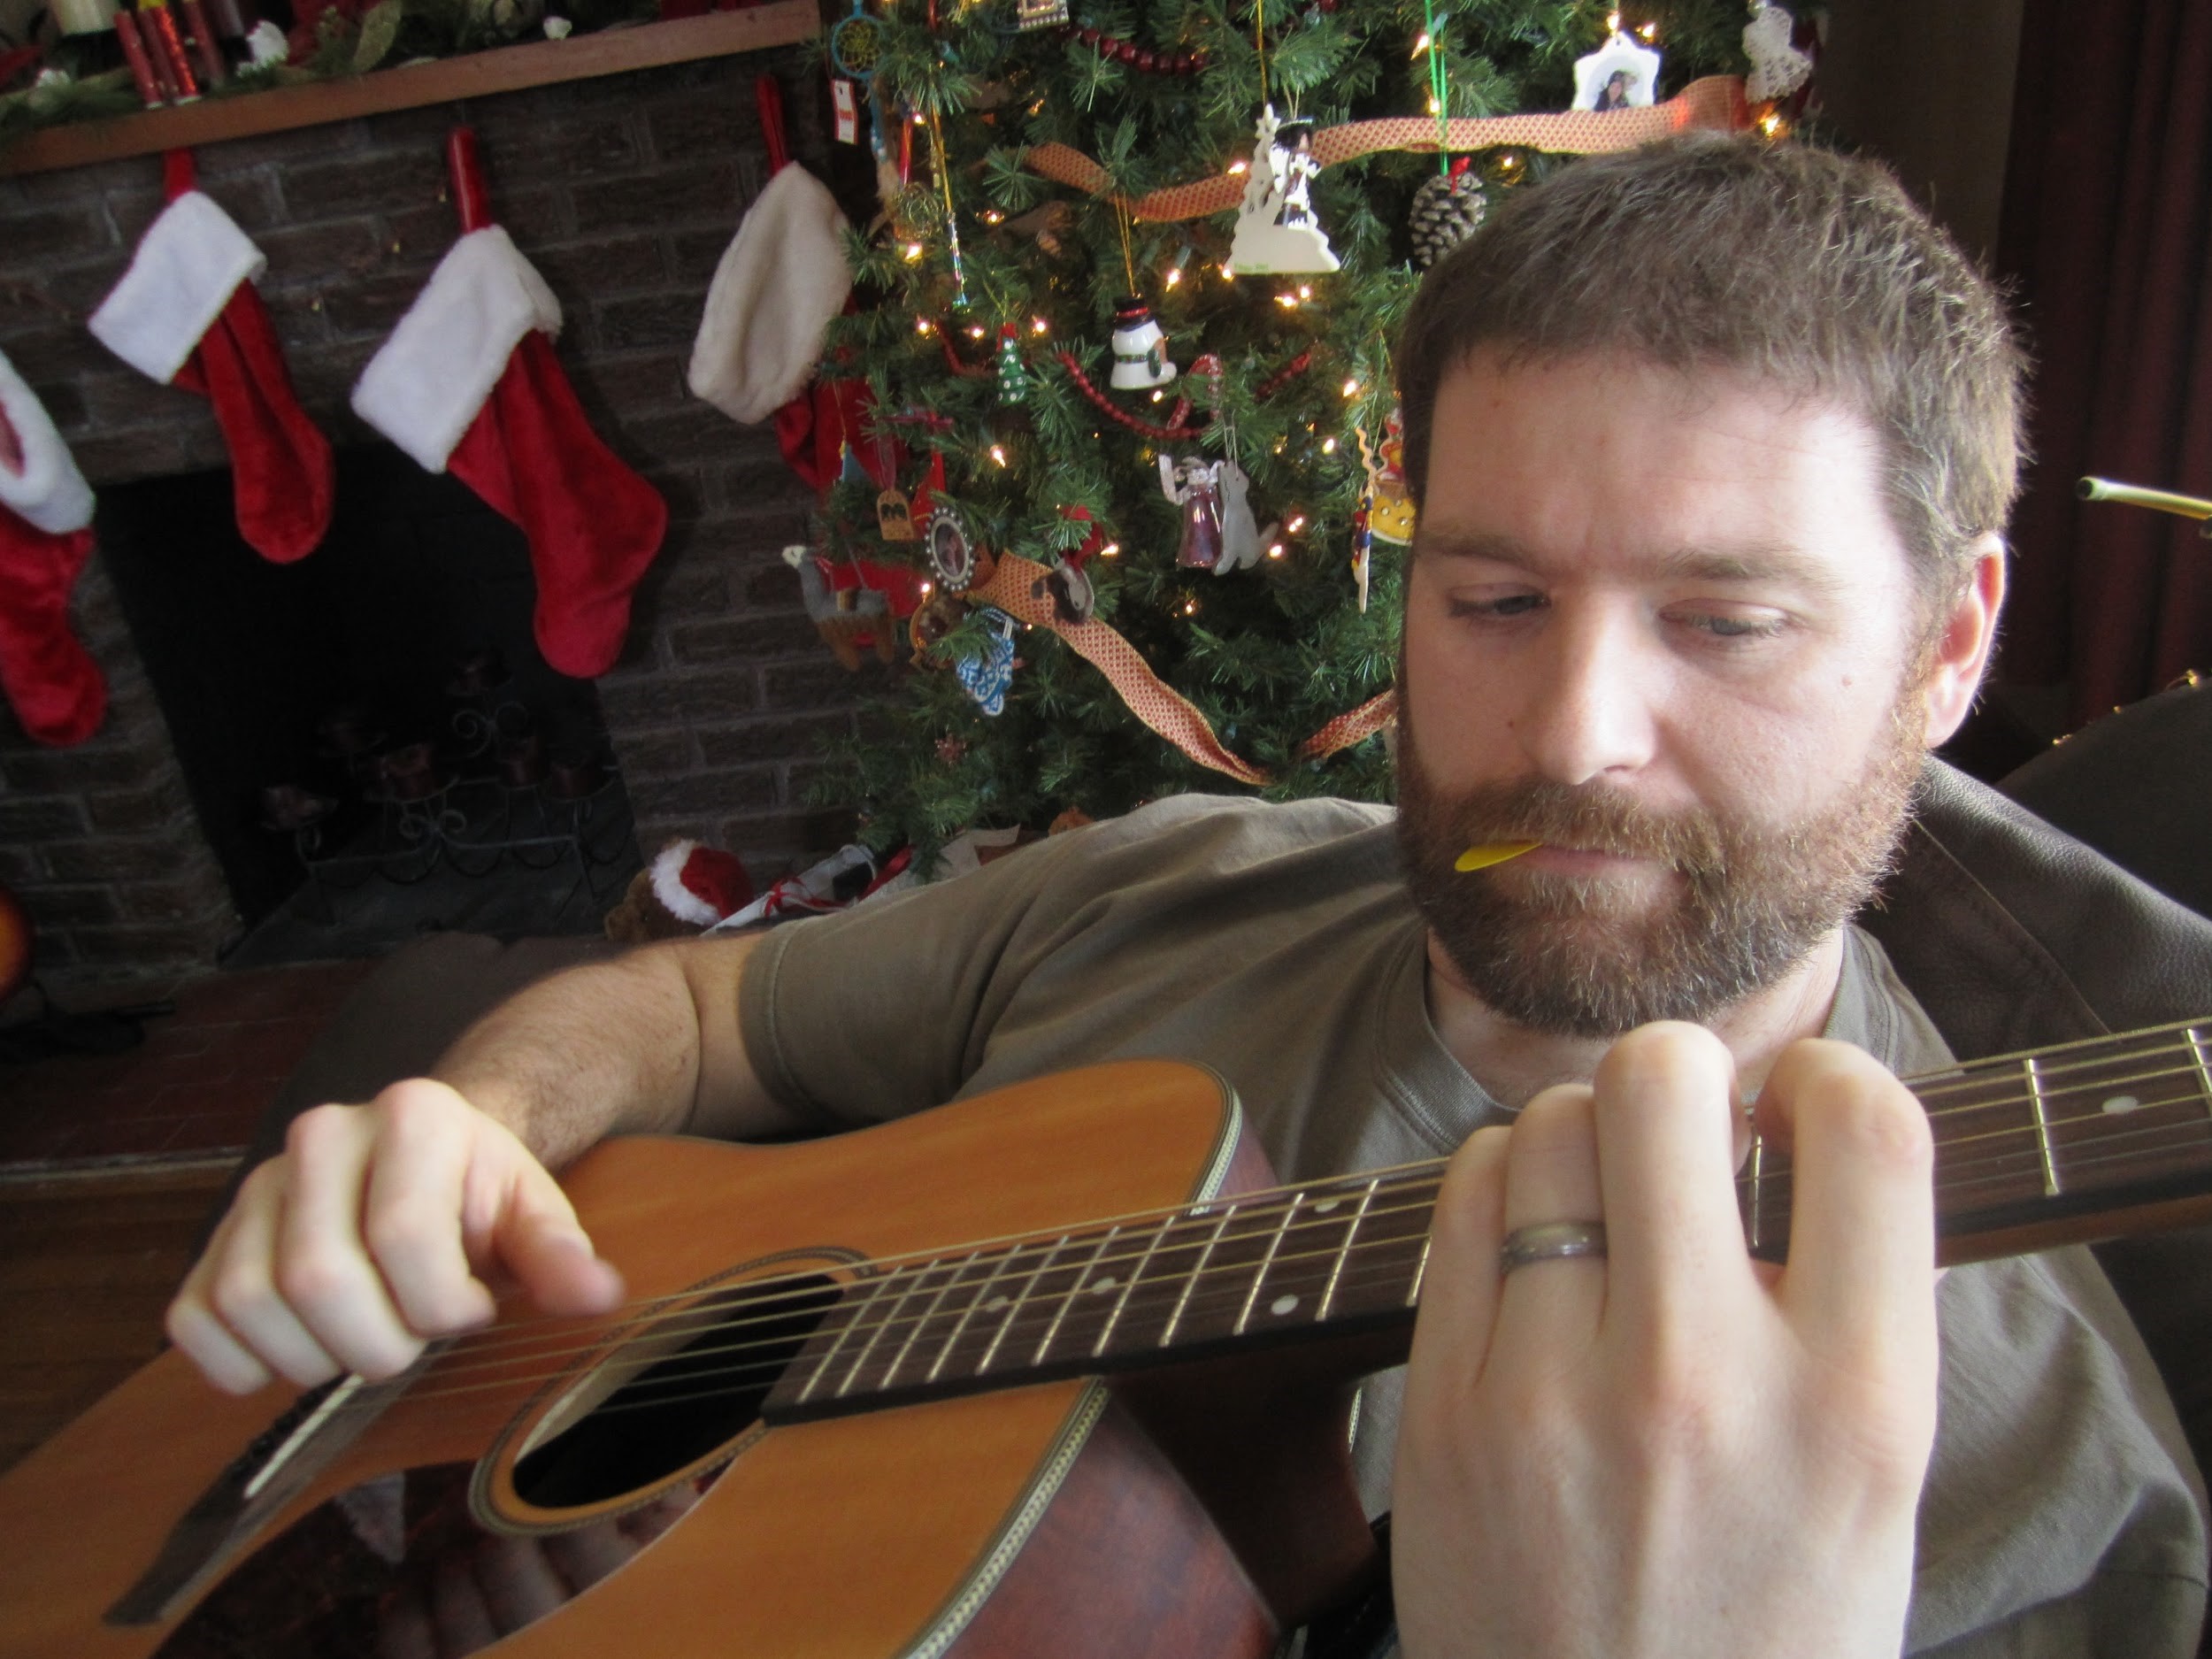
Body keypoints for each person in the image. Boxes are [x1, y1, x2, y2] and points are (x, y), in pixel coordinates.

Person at [166, 135, 2210, 1655]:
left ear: (1946, 643)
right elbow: (690, 1008)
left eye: (1726, 619)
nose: (1572, 728)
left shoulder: (2044, 1501)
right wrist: (473, 1117)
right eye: (1490, 598)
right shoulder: (1180, 876)